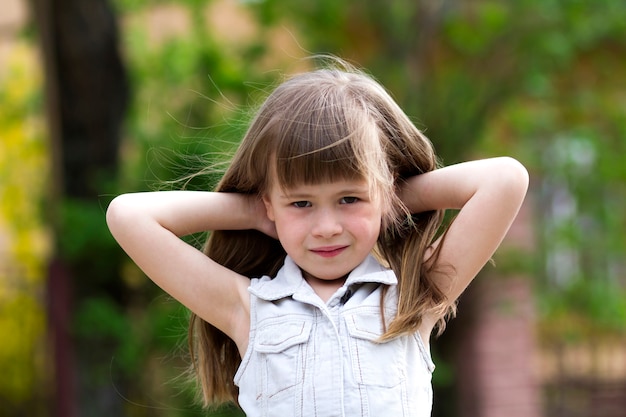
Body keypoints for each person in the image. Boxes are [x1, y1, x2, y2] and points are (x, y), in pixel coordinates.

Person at [106, 61, 529, 417]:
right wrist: (256, 209)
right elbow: (128, 215)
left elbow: (505, 179)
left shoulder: (413, 300)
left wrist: (385, 199)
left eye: (348, 199)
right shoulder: (247, 309)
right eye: (302, 204)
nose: (327, 227)